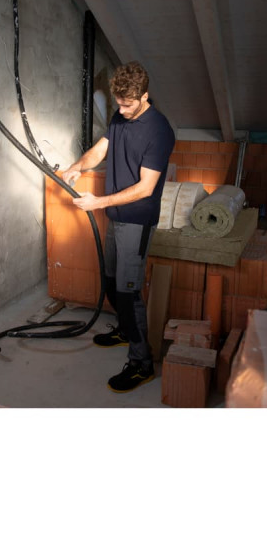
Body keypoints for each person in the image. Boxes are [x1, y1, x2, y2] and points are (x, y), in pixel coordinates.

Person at [62, 61, 175, 392]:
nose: (122, 110)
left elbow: (146, 188)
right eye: (118, 104)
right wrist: (78, 166)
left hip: (137, 221)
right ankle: (125, 330)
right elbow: (101, 149)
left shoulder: (159, 131)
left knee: (128, 292)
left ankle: (142, 364)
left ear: (144, 96)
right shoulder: (119, 116)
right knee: (111, 280)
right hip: (116, 216)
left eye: (127, 105)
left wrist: (98, 203)